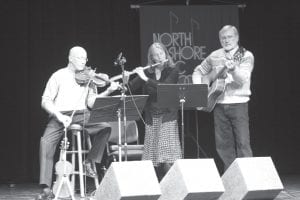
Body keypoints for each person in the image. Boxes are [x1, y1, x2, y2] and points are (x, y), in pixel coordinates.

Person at [36, 46, 120, 200]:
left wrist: (108, 91)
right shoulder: (58, 75)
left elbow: (91, 102)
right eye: (79, 58)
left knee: (105, 127)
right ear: (70, 58)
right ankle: (46, 189)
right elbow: (45, 100)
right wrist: (59, 115)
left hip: (82, 114)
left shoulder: (89, 78)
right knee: (45, 142)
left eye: (85, 58)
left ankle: (89, 161)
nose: (83, 62)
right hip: (59, 115)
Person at [192, 25, 254, 172]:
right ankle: (230, 177)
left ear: (237, 38)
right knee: (223, 144)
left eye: (230, 37)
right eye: (223, 38)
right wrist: (201, 89)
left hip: (238, 103)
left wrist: (233, 69)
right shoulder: (214, 55)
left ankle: (249, 178)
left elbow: (242, 79)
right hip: (218, 103)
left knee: (243, 143)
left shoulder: (245, 55)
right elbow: (198, 71)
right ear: (220, 39)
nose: (226, 40)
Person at [125, 42, 182, 181]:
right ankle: (158, 187)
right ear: (152, 58)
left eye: (161, 53)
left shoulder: (173, 70)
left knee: (166, 155)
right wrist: (126, 79)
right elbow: (130, 88)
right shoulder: (147, 71)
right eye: (156, 55)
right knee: (153, 156)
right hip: (152, 116)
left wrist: (145, 79)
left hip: (168, 116)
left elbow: (165, 87)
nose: (159, 56)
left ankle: (173, 184)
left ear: (165, 53)